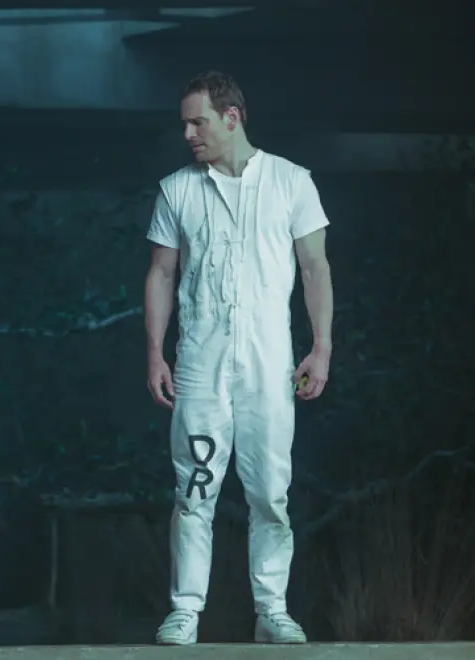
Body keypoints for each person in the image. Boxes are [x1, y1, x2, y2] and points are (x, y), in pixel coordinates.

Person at [144, 71, 334, 645]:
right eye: (184, 123)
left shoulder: (291, 181)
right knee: (194, 487)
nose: (188, 134)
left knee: (270, 490)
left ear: (232, 118)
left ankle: (272, 608)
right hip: (200, 359)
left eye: (197, 122)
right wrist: (155, 352)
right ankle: (185, 609)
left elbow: (315, 268)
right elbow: (161, 273)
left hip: (268, 361)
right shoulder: (177, 189)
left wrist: (321, 346)